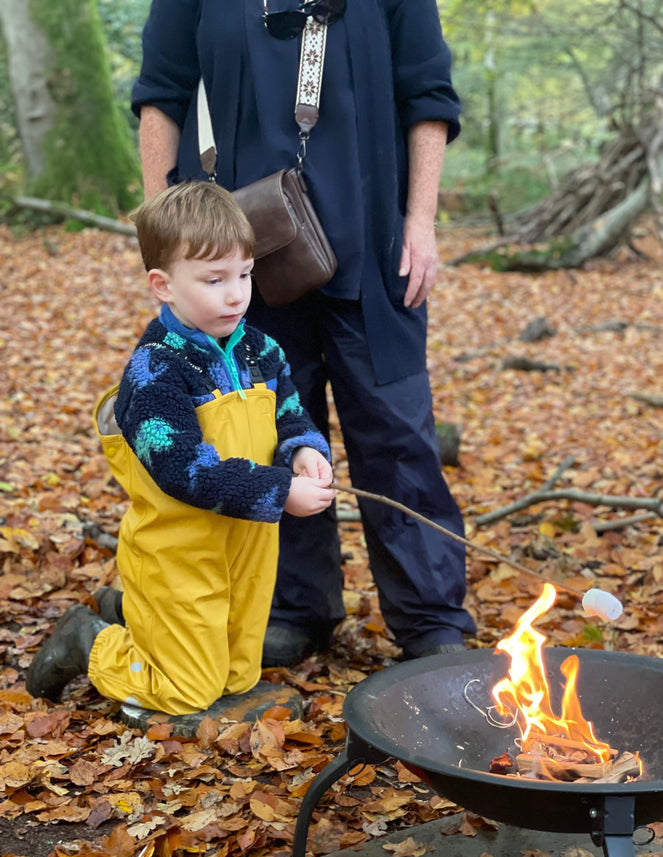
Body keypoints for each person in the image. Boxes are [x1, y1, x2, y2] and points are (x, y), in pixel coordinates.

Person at [130, 0, 477, 666]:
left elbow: (428, 94)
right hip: (239, 257)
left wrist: (421, 221)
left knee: (397, 431)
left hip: (376, 247)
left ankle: (432, 619)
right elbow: (160, 95)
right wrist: (168, 230)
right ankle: (295, 606)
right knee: (268, 429)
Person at [26, 182, 334, 715]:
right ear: (162, 285)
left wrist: (303, 449)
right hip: (179, 550)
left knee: (238, 675)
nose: (236, 294)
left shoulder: (262, 350)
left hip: (249, 543)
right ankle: (90, 641)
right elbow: (181, 469)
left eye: (244, 274)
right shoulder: (155, 371)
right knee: (187, 689)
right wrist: (281, 490)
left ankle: (141, 618)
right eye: (214, 280)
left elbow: (290, 415)